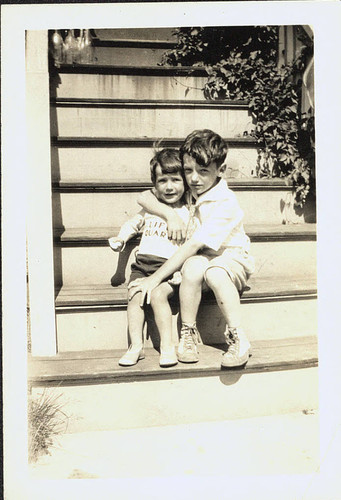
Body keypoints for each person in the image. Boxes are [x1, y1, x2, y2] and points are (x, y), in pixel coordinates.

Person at [129, 129, 255, 368]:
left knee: (213, 271)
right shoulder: (193, 190)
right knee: (194, 266)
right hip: (203, 259)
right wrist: (168, 214)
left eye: (203, 171)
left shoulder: (225, 202)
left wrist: (153, 279)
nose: (194, 178)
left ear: (221, 171)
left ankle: (239, 338)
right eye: (188, 171)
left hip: (231, 259)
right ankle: (188, 333)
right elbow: (145, 196)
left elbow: (194, 244)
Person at [109, 148, 195, 368]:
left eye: (175, 180)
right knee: (134, 297)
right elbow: (132, 224)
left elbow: (191, 245)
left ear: (185, 182)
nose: (169, 186)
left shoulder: (187, 211)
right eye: (162, 180)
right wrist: (121, 238)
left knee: (157, 295)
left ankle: (167, 347)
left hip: (169, 270)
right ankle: (135, 346)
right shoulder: (150, 210)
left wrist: (181, 271)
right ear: (154, 186)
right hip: (142, 265)